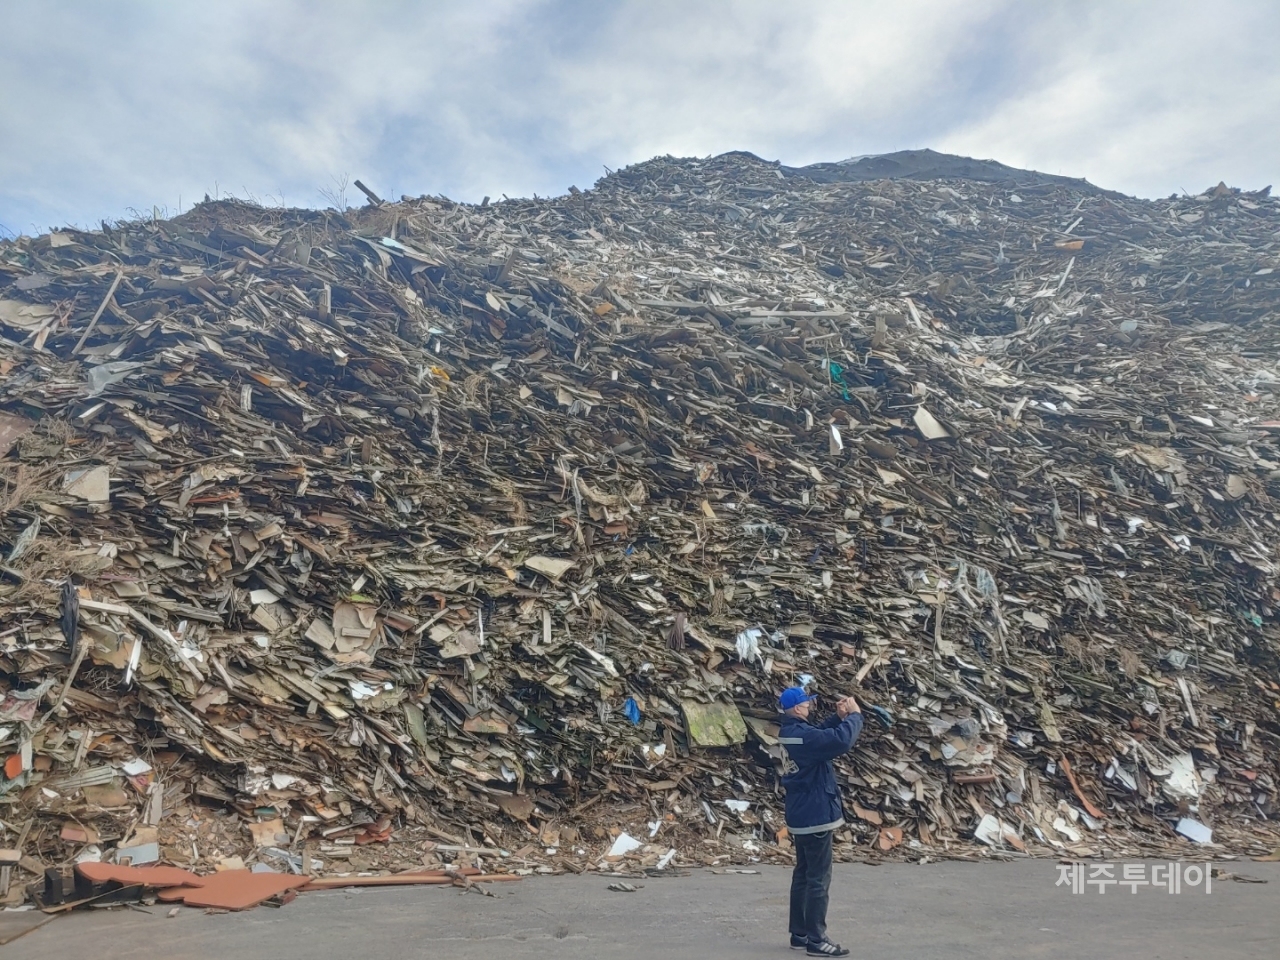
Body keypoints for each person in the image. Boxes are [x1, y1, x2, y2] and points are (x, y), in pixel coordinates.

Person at [778, 686, 863, 957]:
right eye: (807, 704)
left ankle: (799, 933)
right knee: (818, 878)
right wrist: (854, 717)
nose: (810, 707)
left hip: (800, 812)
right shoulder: (801, 736)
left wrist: (837, 718)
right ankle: (817, 939)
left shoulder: (791, 733)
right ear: (797, 708)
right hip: (815, 814)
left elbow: (819, 737)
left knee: (803, 873)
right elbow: (838, 742)